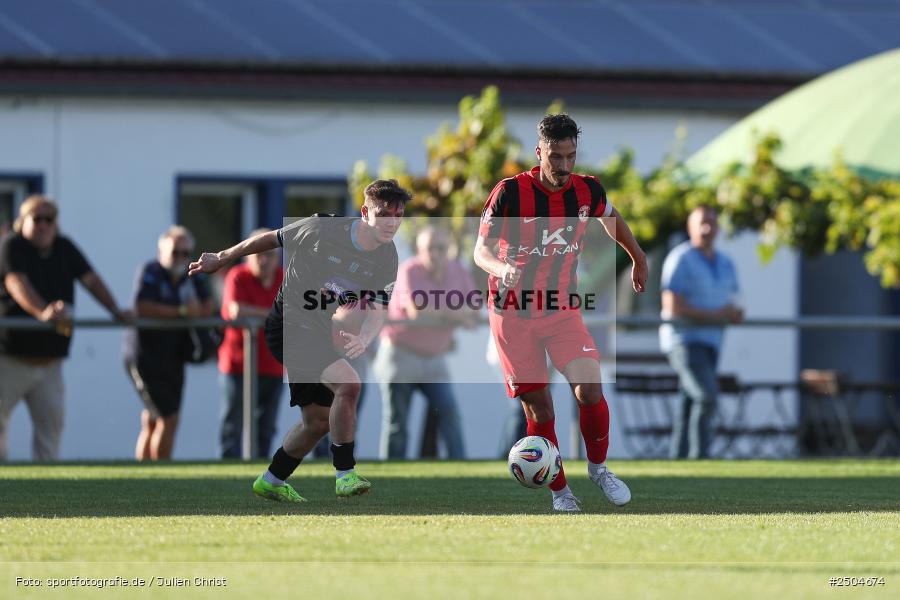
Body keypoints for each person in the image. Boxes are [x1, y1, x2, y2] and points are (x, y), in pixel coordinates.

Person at [189, 179, 409, 502]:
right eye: (384, 213)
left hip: (318, 331)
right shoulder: (322, 229)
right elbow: (270, 240)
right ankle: (345, 474)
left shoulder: (387, 256)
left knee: (317, 422)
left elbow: (378, 307)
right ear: (365, 212)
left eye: (399, 215)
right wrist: (223, 257)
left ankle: (271, 479)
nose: (392, 222)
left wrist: (364, 336)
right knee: (349, 384)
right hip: (289, 324)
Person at [473, 114, 648, 512]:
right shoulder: (510, 193)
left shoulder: (587, 191)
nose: (564, 167)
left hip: (559, 307)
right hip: (512, 313)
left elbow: (610, 217)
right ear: (540, 153)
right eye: (556, 157)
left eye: (571, 156)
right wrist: (502, 268)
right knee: (541, 409)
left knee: (589, 388)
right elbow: (480, 250)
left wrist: (637, 256)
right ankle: (560, 492)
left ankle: (599, 469)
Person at [0, 195, 129, 460]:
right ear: (22, 222)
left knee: (50, 433)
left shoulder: (64, 246)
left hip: (50, 362)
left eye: (50, 219)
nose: (44, 225)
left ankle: (44, 494)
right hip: (9, 358)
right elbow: (16, 283)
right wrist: (42, 312)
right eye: (37, 219)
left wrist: (115, 310)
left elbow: (91, 280)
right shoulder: (12, 245)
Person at [374, 225, 475, 459]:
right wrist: (456, 313)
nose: (436, 253)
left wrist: (452, 312)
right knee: (397, 424)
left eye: (441, 248)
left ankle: (462, 472)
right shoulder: (409, 270)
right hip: (400, 355)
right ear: (419, 250)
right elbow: (416, 309)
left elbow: (473, 307)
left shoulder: (458, 270)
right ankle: (391, 479)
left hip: (435, 358)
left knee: (450, 414)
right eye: (430, 248)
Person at [124, 225, 213, 461]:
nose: (181, 259)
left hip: (174, 356)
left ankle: (144, 472)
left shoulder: (193, 275)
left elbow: (207, 307)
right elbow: (142, 307)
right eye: (175, 253)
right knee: (169, 418)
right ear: (161, 252)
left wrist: (191, 310)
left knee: (154, 417)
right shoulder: (150, 271)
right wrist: (183, 310)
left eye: (186, 254)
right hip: (145, 355)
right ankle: (160, 472)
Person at [660, 205, 742, 459]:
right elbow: (672, 305)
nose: (707, 228)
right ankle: (700, 458)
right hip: (684, 340)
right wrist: (716, 315)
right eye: (701, 223)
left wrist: (735, 313)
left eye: (712, 223)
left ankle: (678, 461)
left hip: (712, 341)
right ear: (690, 228)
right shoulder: (680, 258)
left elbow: (735, 301)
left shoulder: (727, 263)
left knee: (689, 403)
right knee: (706, 396)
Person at [218, 228, 284, 459]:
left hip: (274, 365)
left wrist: (259, 315)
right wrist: (274, 315)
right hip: (238, 365)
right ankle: (228, 475)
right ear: (249, 256)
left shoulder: (285, 278)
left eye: (270, 255)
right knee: (232, 426)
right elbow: (235, 311)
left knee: (266, 428)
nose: (264, 260)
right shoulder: (237, 276)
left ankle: (263, 474)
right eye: (259, 255)